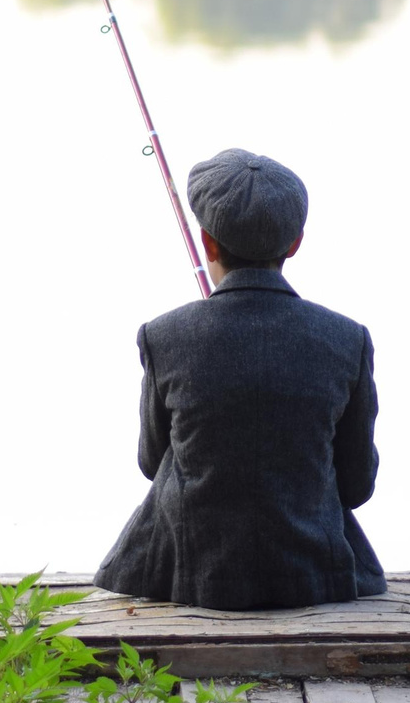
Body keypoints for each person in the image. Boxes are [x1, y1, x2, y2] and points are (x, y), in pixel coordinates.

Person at [94, 148, 385, 610]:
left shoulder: (162, 335)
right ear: (295, 244)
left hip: (188, 580)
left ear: (208, 243)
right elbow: (357, 486)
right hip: (313, 579)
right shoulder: (348, 339)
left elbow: (152, 462)